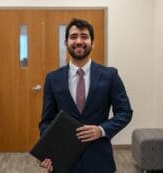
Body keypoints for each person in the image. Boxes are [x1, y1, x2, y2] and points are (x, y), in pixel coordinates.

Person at [39, 18, 133, 173]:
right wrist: (47, 152)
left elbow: (125, 112)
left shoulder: (110, 76)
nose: (79, 41)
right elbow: (46, 121)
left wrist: (101, 129)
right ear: (66, 42)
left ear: (92, 42)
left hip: (100, 160)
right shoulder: (52, 78)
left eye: (84, 36)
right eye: (73, 36)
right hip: (64, 161)